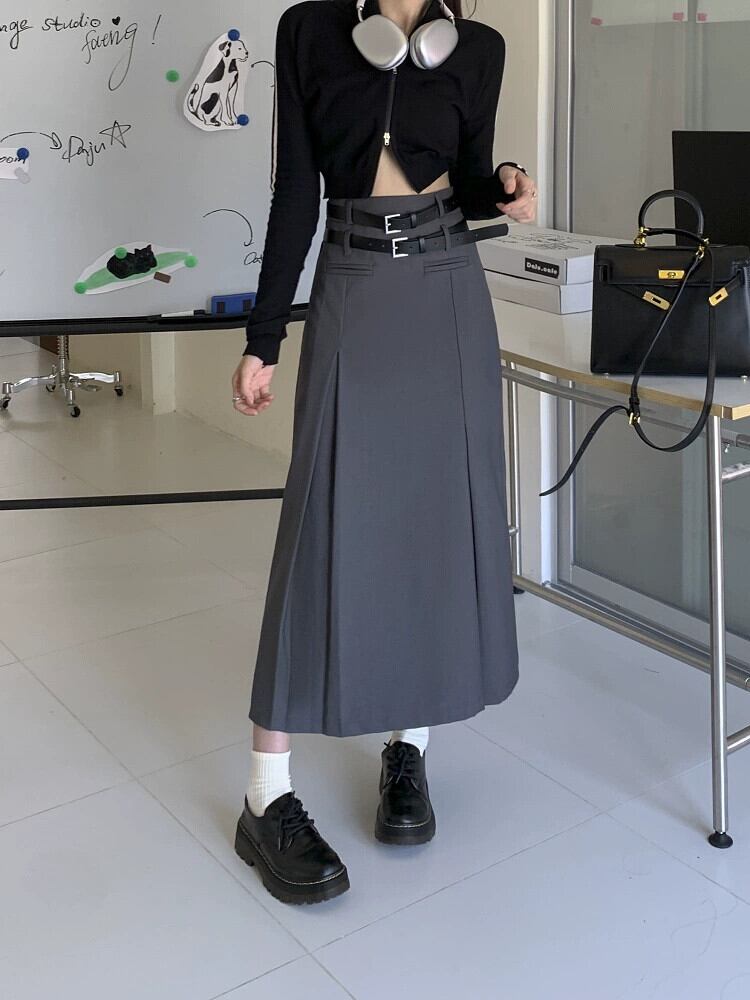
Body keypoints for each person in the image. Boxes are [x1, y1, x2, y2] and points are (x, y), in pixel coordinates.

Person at [230, 0, 538, 905]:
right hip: (354, 281)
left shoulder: (478, 48)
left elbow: (468, 178)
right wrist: (264, 337)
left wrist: (502, 183)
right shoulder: (309, 31)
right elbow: (297, 189)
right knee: (318, 526)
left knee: (430, 521)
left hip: (448, 287)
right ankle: (264, 795)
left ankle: (409, 748)